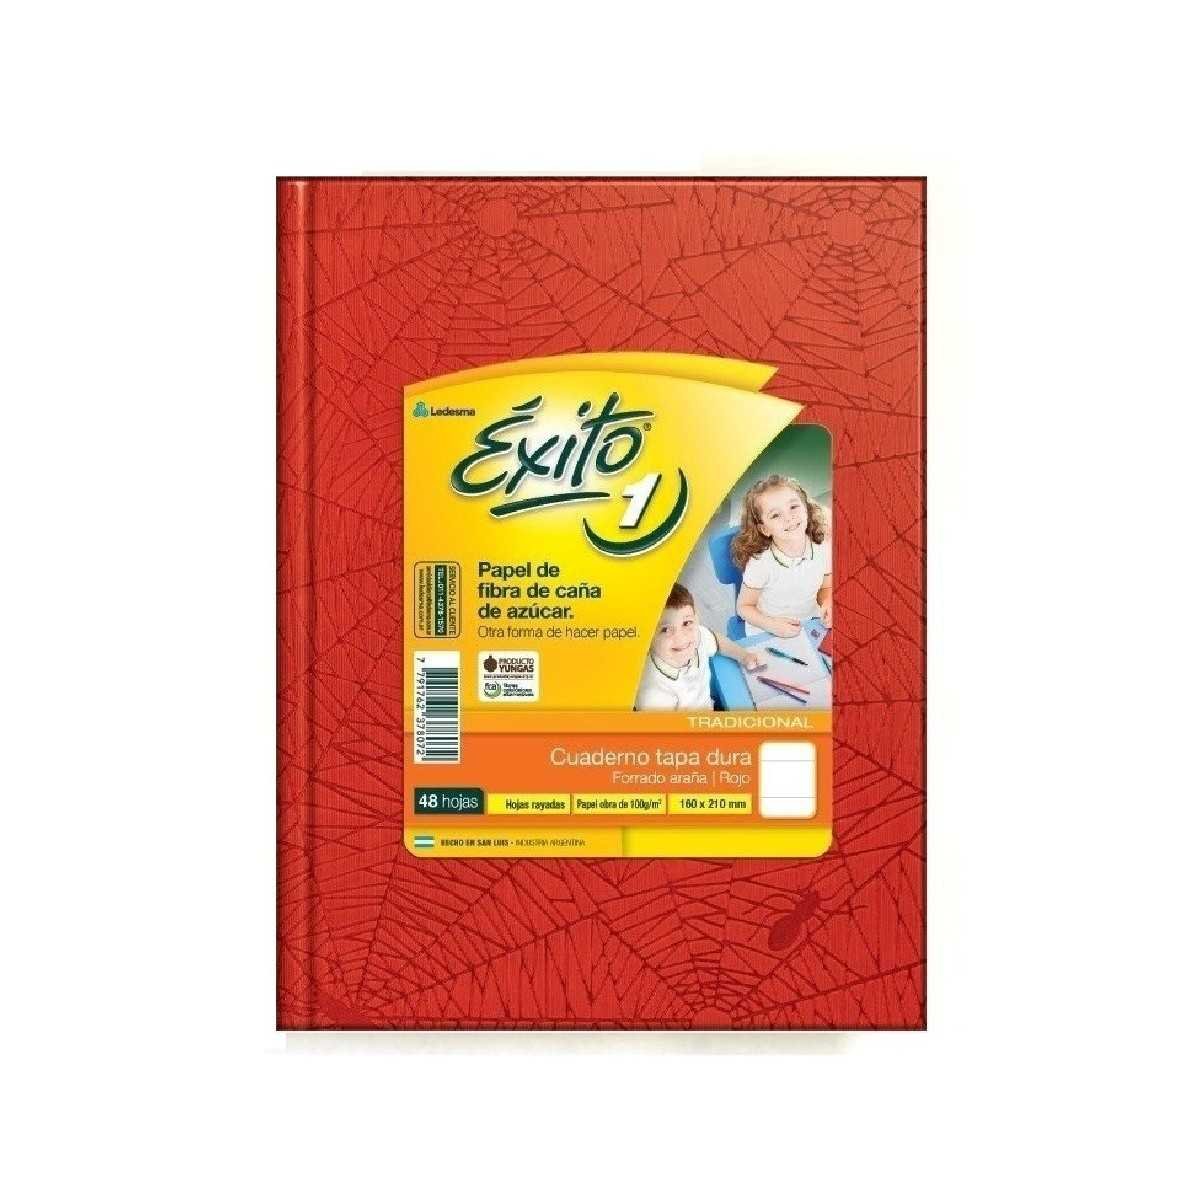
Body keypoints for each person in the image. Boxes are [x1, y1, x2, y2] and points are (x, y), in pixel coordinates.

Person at [635, 583, 766, 710]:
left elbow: (717, 641)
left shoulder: (698, 636)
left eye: (686, 623)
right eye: (665, 629)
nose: (681, 638)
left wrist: (744, 656)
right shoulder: (652, 696)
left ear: (696, 618)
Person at [731, 474, 832, 637]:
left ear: (806, 508)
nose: (788, 517)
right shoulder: (760, 563)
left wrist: (827, 603)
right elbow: (744, 607)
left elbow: (826, 587)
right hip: (768, 628)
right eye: (775, 515)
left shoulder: (823, 547)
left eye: (793, 507)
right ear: (765, 529)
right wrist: (772, 625)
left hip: (811, 622)